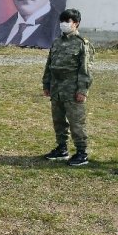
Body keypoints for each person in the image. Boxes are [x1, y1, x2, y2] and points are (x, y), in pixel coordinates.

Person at [42, 9, 95, 166]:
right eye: (62, 21)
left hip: (72, 89)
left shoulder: (82, 44)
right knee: (58, 120)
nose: (64, 24)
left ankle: (81, 152)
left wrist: (82, 91)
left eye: (67, 21)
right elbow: (49, 65)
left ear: (76, 23)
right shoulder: (57, 42)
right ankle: (62, 148)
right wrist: (46, 84)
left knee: (76, 122)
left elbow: (86, 70)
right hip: (57, 88)